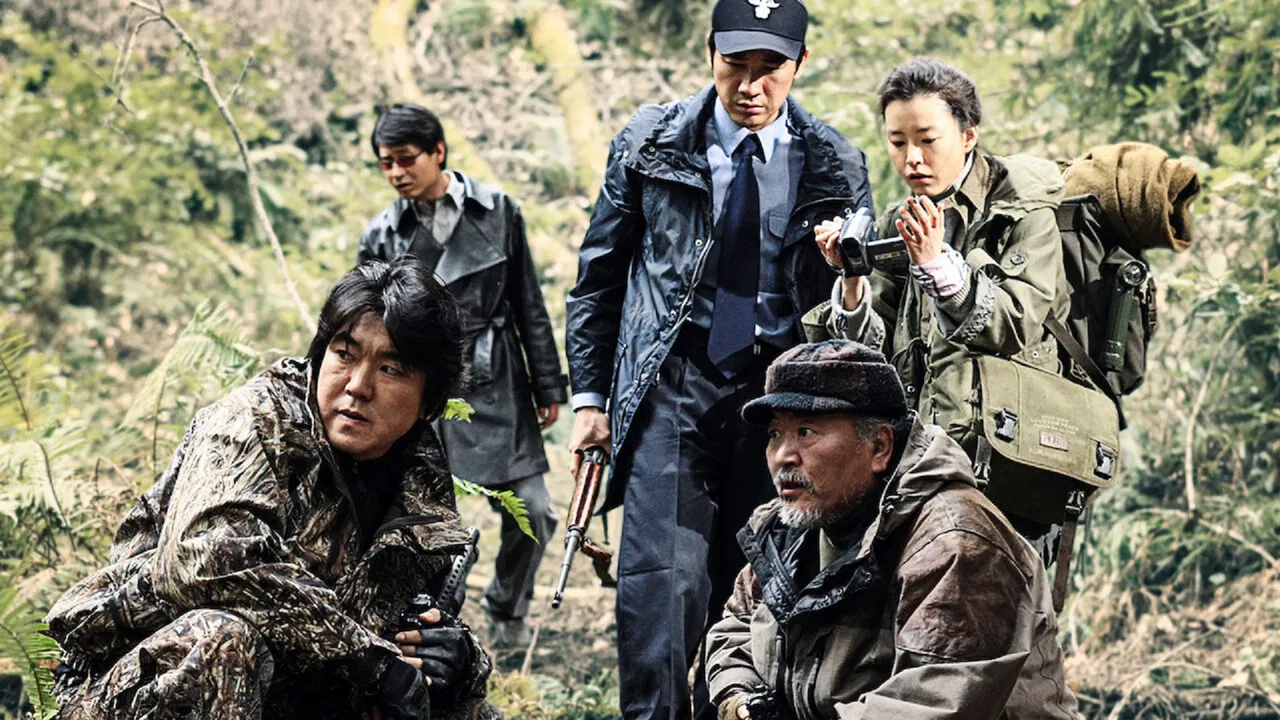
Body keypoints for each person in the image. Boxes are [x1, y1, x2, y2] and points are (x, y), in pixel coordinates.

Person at [564, 0, 874, 717]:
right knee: (661, 584)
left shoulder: (835, 163)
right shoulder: (650, 142)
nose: (751, 86)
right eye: (736, 65)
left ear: (799, 66)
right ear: (710, 55)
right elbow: (599, 279)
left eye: (771, 69)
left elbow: (854, 308)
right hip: (674, 378)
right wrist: (590, 401)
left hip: (782, 399)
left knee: (753, 585)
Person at [45, 261, 497, 720]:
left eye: (391, 369)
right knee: (221, 640)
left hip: (290, 696)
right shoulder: (250, 424)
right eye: (344, 354)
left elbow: (414, 627)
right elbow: (206, 565)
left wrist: (457, 659)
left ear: (429, 403)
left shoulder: (420, 477)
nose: (358, 386)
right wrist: (371, 660)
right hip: (134, 687)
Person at [703, 340, 1081, 720]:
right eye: (774, 434)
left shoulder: (955, 542)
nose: (784, 455)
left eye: (805, 432)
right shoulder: (793, 527)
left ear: (879, 447)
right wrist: (743, 700)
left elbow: (932, 704)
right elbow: (736, 626)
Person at [806, 58, 1069, 555]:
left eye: (928, 140)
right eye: (897, 142)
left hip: (999, 459)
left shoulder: (1023, 212)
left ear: (968, 136)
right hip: (912, 461)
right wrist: (852, 280)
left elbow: (1016, 323)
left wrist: (938, 267)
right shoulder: (899, 218)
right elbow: (868, 358)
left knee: (989, 598)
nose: (912, 159)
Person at [358, 103, 569, 646]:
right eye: (386, 163)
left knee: (535, 510)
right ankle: (422, 622)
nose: (396, 173)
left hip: (495, 379)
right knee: (412, 517)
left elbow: (528, 302)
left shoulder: (499, 211)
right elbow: (364, 323)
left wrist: (548, 383)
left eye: (407, 159)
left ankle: (508, 608)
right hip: (419, 386)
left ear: (438, 152)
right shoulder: (383, 233)